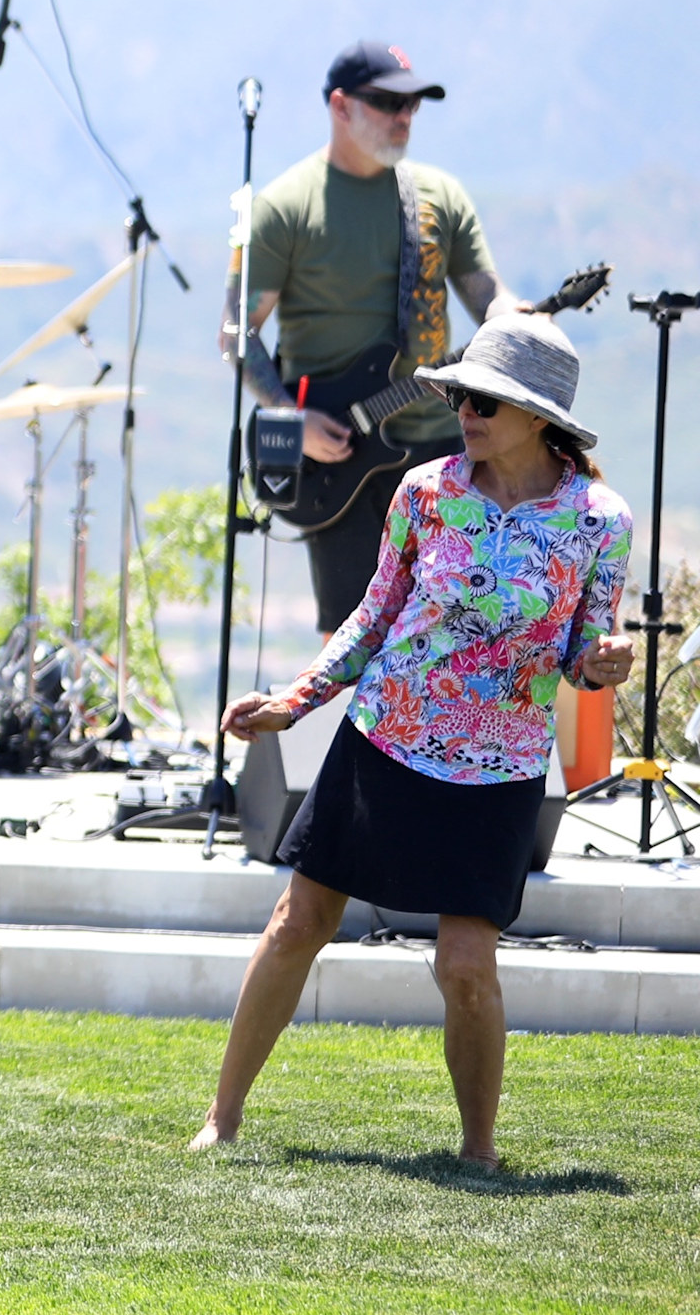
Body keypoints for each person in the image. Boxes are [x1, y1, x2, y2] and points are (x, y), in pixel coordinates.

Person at [199, 316, 632, 1165]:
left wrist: (604, 663)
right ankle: (222, 1118)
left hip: (500, 766)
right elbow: (373, 615)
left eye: (483, 399)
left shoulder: (600, 521)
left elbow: (584, 655)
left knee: (467, 967)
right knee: (297, 922)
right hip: (383, 738)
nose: (462, 409)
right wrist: (297, 700)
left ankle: (478, 1152)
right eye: (459, 394)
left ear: (538, 416)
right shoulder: (424, 492)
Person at [240, 40, 521, 631]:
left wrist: (521, 318)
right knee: (350, 638)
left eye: (413, 105)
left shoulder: (437, 198)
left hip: (442, 444)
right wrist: (292, 419)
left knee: (454, 629)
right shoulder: (285, 207)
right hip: (337, 457)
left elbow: (489, 299)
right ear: (340, 106)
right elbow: (239, 333)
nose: (403, 117)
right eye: (387, 103)